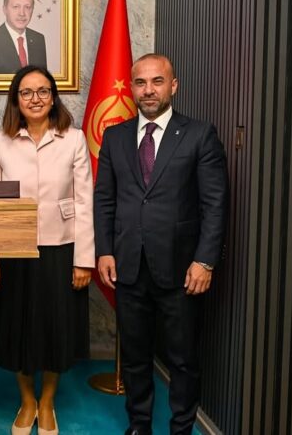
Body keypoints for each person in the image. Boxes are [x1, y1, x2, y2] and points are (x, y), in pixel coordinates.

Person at [93, 53, 228, 435]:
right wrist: (105, 250)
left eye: (157, 81)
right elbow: (104, 199)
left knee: (183, 360)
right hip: (129, 266)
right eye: (140, 82)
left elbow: (215, 204)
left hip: (182, 270)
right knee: (135, 356)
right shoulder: (115, 137)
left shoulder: (200, 135)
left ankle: (181, 428)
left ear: (173, 86)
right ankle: (139, 425)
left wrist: (205, 261)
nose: (148, 90)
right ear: (132, 88)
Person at [0, 65, 94, 435]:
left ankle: (47, 402)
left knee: (54, 329)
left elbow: (85, 201)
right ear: (16, 99)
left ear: (53, 97)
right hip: (14, 250)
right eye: (26, 92)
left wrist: (84, 260)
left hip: (61, 248)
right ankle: (27, 400)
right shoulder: (1, 140)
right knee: (18, 329)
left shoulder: (73, 139)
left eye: (43, 91)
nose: (35, 99)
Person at [0, 0, 47, 74]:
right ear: (5, 9)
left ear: (32, 10)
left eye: (27, 7)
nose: (22, 13)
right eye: (16, 7)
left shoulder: (38, 39)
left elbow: (42, 78)